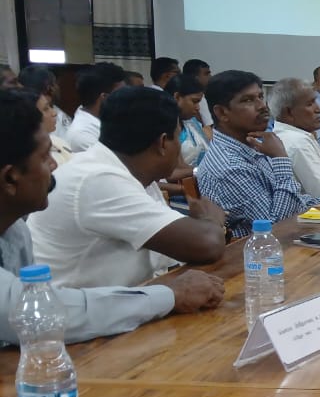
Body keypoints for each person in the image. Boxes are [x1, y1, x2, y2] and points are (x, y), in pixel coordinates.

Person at [0, 89, 223, 343]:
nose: (54, 165)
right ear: (10, 178)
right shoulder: (94, 179)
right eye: (44, 157)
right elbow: (39, 312)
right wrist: (170, 295)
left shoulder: (15, 230)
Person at [29, 87, 226, 288]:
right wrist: (211, 219)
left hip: (122, 299)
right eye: (177, 137)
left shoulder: (133, 172)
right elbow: (207, 244)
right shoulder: (97, 179)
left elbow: (173, 250)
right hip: (69, 306)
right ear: (162, 143)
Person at [197, 70, 320, 238]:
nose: (262, 106)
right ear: (222, 113)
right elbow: (274, 228)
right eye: (247, 100)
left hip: (289, 240)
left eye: (260, 97)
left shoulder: (251, 145)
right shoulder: (229, 166)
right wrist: (281, 159)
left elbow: (295, 202)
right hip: (260, 251)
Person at [268, 77, 320, 200]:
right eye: (309, 104)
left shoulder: (291, 136)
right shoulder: (298, 142)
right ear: (288, 112)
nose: (318, 109)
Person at [159, 74, 206, 197]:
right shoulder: (164, 124)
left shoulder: (190, 122)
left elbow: (182, 166)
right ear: (177, 97)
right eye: (194, 101)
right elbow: (170, 174)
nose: (198, 108)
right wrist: (200, 170)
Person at [64, 62, 128, 152]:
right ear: (104, 98)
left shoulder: (110, 119)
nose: (127, 99)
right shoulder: (82, 135)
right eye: (122, 94)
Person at [25, 87, 74, 169]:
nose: (54, 113)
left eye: (50, 107)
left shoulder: (57, 140)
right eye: (46, 109)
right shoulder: (32, 160)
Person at [19, 65, 72, 137]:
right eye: (55, 83)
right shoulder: (40, 122)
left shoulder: (53, 108)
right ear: (49, 87)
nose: (58, 87)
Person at [183, 58, 214, 125]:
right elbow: (210, 125)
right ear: (195, 78)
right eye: (206, 74)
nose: (211, 77)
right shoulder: (198, 98)